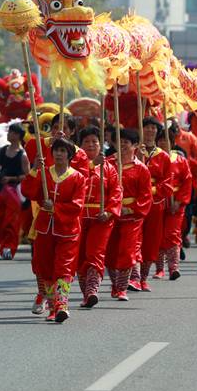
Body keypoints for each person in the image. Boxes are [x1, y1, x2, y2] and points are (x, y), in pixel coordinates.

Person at [20, 137, 86, 323]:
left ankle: (62, 305)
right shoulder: (43, 174)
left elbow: (77, 206)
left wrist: (55, 207)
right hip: (44, 228)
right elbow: (28, 192)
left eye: (63, 151)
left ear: (70, 155)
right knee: (46, 268)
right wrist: (34, 169)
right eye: (56, 150)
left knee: (64, 268)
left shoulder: (78, 178)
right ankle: (51, 306)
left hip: (67, 230)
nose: (59, 153)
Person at [104, 129, 152, 301]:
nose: (123, 145)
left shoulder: (142, 169)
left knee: (127, 250)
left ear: (136, 146)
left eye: (127, 142)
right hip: (111, 213)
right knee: (109, 251)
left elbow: (146, 196)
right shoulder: (108, 164)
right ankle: (115, 284)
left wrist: (130, 208)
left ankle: (122, 288)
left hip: (131, 216)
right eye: (120, 141)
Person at [76, 126, 121, 307]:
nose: (91, 144)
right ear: (80, 145)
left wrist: (109, 212)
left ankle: (92, 291)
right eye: (87, 141)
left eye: (95, 141)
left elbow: (116, 192)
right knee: (79, 257)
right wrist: (91, 165)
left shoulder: (109, 169)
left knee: (94, 254)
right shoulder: (74, 165)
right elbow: (74, 181)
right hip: (77, 217)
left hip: (101, 218)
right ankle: (85, 292)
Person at [132, 117, 172, 292]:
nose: (150, 131)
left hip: (154, 204)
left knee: (151, 241)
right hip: (133, 202)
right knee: (132, 240)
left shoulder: (163, 156)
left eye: (153, 128)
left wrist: (151, 190)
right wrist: (137, 159)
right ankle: (132, 277)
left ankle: (143, 278)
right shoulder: (132, 152)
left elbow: (168, 183)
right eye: (146, 127)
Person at [0, 123, 29, 260]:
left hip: (14, 191)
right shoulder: (2, 150)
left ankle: (9, 247)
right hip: (0, 190)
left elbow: (27, 175)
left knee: (11, 221)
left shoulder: (23, 155)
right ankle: (2, 242)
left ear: (18, 135)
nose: (8, 134)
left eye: (12, 132)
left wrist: (11, 178)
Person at [157, 122, 191, 279]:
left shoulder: (180, 160)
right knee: (158, 234)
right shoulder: (153, 158)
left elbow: (187, 181)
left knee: (173, 233)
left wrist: (179, 201)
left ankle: (173, 267)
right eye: (161, 140)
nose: (164, 143)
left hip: (176, 201)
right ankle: (159, 269)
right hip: (158, 200)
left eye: (167, 140)